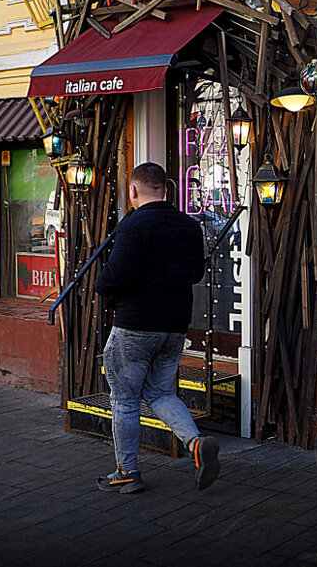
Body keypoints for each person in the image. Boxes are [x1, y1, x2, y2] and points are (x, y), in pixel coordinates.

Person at [93, 162, 220, 494]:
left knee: (124, 398)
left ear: (133, 190)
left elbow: (113, 278)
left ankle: (127, 471)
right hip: (175, 326)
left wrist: (101, 284)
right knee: (160, 392)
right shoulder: (189, 226)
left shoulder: (132, 227)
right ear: (166, 188)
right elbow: (195, 274)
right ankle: (194, 444)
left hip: (134, 326)